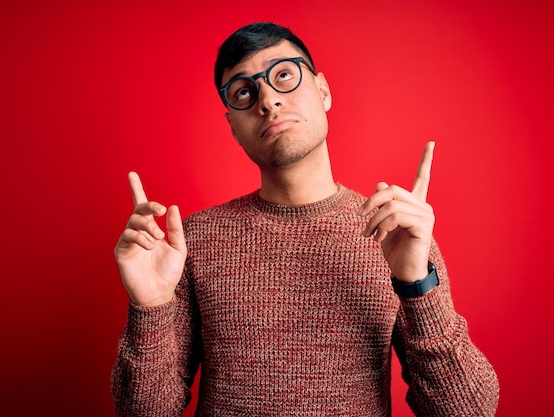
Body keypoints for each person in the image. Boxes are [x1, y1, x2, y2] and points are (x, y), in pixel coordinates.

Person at [111, 22, 499, 416]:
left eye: (283, 75)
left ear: (323, 91)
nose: (268, 101)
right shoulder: (192, 241)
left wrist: (416, 285)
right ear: (233, 127)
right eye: (245, 92)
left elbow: (468, 410)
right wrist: (151, 308)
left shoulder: (395, 234)